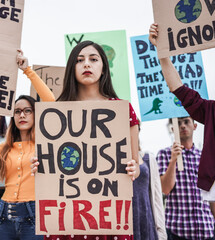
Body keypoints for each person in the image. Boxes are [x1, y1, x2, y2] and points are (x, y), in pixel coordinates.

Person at [29, 41, 139, 240]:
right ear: (72, 69)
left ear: (104, 68)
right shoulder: (54, 113)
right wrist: (39, 165)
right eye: (80, 60)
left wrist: (133, 168)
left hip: (108, 218)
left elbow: (135, 164)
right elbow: (50, 160)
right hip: (66, 220)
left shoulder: (123, 110)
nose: (87, 64)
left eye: (93, 59)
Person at [150, 23, 215, 239]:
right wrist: (162, 52)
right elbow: (178, 88)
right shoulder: (213, 112)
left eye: (186, 122)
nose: (183, 125)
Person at [0, 51, 55, 240]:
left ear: (36, 115)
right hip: (4, 215)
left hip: (34, 214)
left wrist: (27, 70)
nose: (22, 115)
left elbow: (51, 102)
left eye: (28, 111)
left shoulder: (44, 143)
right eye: (17, 111)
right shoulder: (5, 146)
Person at [156, 116, 214, 239]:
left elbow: (212, 195)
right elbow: (165, 189)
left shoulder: (204, 156)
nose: (182, 126)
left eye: (186, 121)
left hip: (207, 230)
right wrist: (173, 160)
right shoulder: (164, 154)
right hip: (178, 231)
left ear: (195, 126)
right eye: (178, 123)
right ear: (173, 129)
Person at [132, 123, 166, 240]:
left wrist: (161, 233)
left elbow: (157, 199)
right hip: (126, 226)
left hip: (146, 223)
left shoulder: (148, 158)